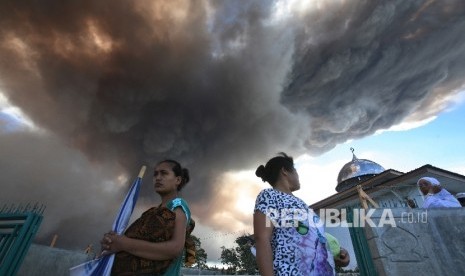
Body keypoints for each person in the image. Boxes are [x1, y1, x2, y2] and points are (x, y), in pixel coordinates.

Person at [100, 160, 195, 276]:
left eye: (164, 173)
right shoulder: (154, 212)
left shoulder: (178, 205)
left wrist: (124, 244)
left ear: (178, 180)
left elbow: (175, 248)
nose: (158, 178)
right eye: (155, 174)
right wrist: (113, 242)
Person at [253, 152, 335, 276]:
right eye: (295, 170)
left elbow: (314, 241)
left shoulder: (303, 205)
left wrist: (336, 255)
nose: (298, 175)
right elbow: (261, 238)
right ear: (285, 171)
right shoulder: (269, 195)